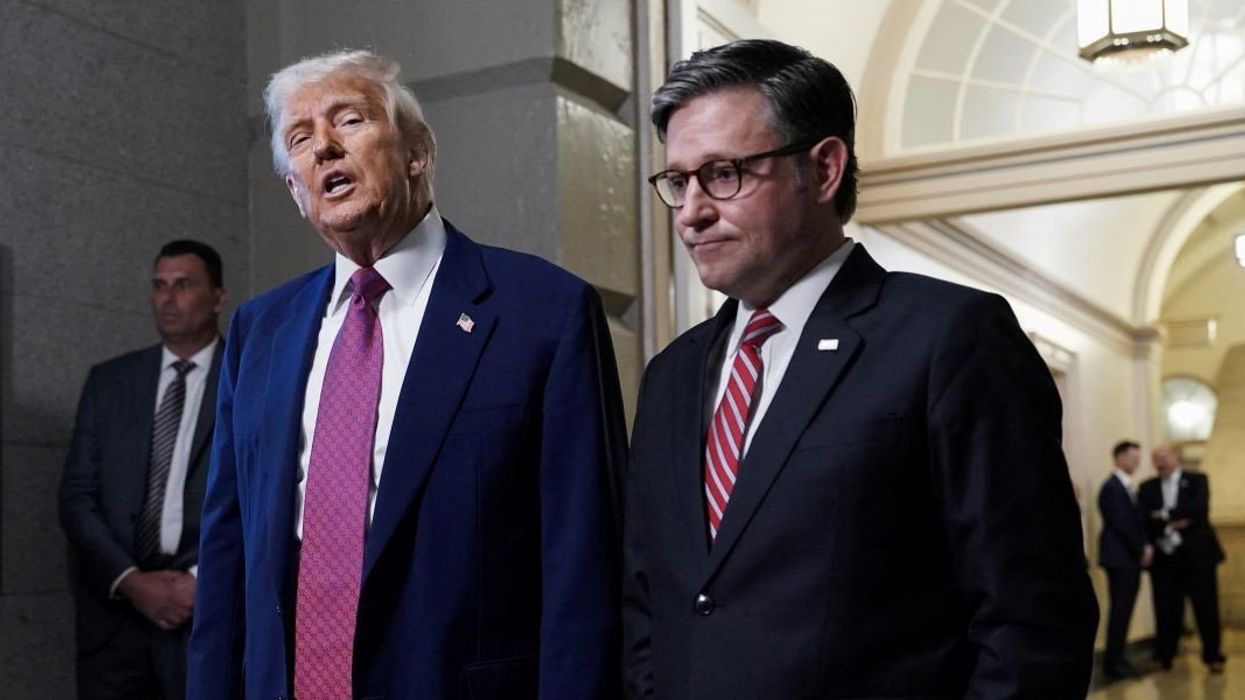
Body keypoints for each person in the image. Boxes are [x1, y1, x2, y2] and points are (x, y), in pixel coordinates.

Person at [623, 39, 1098, 698]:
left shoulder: (948, 338)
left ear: (822, 170)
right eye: (678, 181)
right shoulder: (670, 374)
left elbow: (1030, 624)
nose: (693, 212)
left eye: (723, 173)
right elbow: (651, 600)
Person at [186, 49, 626, 699]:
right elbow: (226, 552)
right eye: (300, 139)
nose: (325, 148)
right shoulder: (261, 330)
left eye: (350, 121)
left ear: (417, 152)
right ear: (293, 189)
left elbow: (583, 561)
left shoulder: (543, 311)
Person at [59, 240, 227, 699]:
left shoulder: (250, 378)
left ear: (217, 297)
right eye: (159, 287)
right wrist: (130, 582)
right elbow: (77, 497)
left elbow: (263, 500)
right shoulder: (110, 382)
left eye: (184, 286)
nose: (168, 299)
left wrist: (198, 582)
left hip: (205, 615)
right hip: (115, 619)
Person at [1138, 444, 1226, 673]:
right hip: (1165, 558)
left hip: (1198, 556)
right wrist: (1176, 518)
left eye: (1164, 456)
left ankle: (1213, 656)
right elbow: (1145, 519)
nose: (1160, 461)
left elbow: (1198, 509)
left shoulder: (1197, 480)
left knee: (1206, 608)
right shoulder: (1147, 487)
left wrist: (1164, 515)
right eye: (1155, 457)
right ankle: (1164, 655)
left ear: (1177, 458)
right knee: (1166, 609)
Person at [1097, 440, 1152, 679]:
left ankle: (1118, 657)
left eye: (1138, 458)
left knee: (1125, 609)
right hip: (1120, 559)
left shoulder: (1127, 487)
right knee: (1120, 610)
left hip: (1127, 558)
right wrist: (1142, 548)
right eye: (1132, 457)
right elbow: (1122, 524)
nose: (1136, 462)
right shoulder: (1112, 487)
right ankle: (1112, 662)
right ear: (1118, 457)